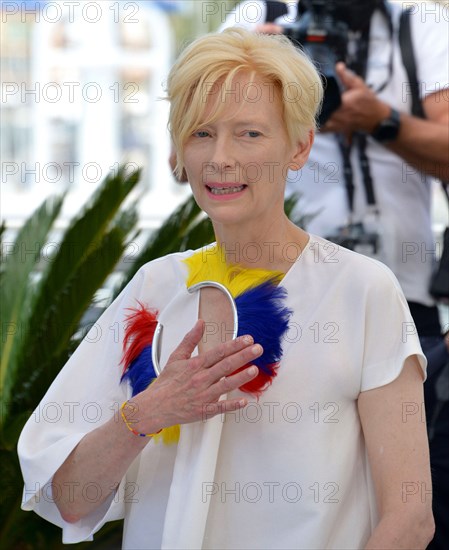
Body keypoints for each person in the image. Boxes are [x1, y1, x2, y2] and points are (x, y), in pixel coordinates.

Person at [18, 28, 434, 549]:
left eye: (250, 134)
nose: (221, 158)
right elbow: (68, 499)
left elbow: (410, 517)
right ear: (178, 151)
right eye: (201, 134)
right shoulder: (154, 287)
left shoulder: (361, 290)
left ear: (300, 145)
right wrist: (146, 413)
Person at [220, 1, 449, 547]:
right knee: (281, 478)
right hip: (271, 294)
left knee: (412, 492)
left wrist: (382, 120)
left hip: (400, 298)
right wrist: (253, 70)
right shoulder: (256, 18)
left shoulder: (419, 25)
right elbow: (196, 148)